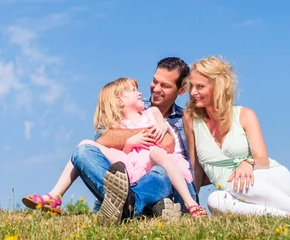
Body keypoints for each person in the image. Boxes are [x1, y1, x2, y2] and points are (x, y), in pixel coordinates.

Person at [184, 56, 290, 218]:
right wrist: (191, 204)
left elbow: (262, 159)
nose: (193, 92)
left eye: (200, 87)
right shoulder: (191, 119)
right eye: (191, 86)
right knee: (215, 200)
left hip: (268, 180)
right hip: (235, 192)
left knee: (236, 186)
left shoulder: (244, 115)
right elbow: (196, 169)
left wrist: (247, 163)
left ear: (217, 86)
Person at [23, 77, 206, 219]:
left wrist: (161, 128)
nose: (141, 93)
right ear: (119, 101)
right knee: (83, 147)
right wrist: (129, 143)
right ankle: (55, 196)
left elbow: (167, 143)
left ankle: (139, 204)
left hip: (159, 172)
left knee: (157, 158)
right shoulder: (115, 125)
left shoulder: (152, 112)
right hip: (133, 175)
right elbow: (125, 161)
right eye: (134, 90)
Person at [72, 57, 197, 223]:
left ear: (181, 90)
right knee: (83, 151)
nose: (156, 89)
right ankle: (135, 205)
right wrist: (140, 134)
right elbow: (103, 138)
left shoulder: (186, 119)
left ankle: (129, 204)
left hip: (172, 182)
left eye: (165, 86)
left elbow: (167, 145)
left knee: (161, 169)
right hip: (134, 176)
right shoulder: (131, 104)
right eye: (155, 81)